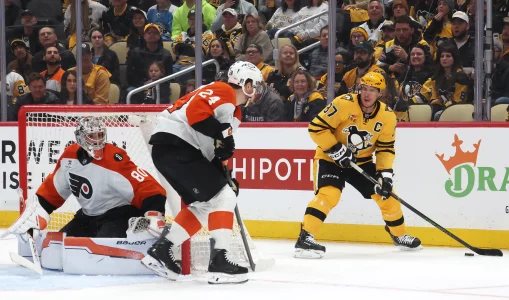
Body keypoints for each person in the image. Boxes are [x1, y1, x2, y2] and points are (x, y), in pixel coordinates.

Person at [141, 61, 264, 284]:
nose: (257, 91)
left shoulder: (233, 111)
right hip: (177, 146)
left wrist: (223, 173)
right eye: (255, 85)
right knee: (224, 196)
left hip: (173, 150)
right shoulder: (223, 90)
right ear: (245, 83)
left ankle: (161, 251)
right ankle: (219, 263)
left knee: (205, 203)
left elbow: (212, 146)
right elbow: (197, 116)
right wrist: (222, 136)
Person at [294, 72, 422, 259]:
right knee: (329, 194)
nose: (367, 94)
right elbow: (316, 127)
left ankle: (399, 235)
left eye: (372, 90)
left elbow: (385, 148)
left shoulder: (387, 117)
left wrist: (385, 174)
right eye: (364, 89)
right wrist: (335, 148)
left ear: (380, 93)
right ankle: (305, 238)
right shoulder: (343, 103)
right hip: (330, 159)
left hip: (360, 162)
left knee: (387, 196)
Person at [6, 117, 167, 239]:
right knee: (58, 244)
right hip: (88, 216)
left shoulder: (114, 157)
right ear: (81, 137)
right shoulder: (69, 157)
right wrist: (39, 211)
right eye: (92, 136)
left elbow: (150, 188)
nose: (97, 140)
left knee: (103, 246)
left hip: (119, 215)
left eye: (100, 135)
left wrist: (154, 214)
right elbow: (53, 190)